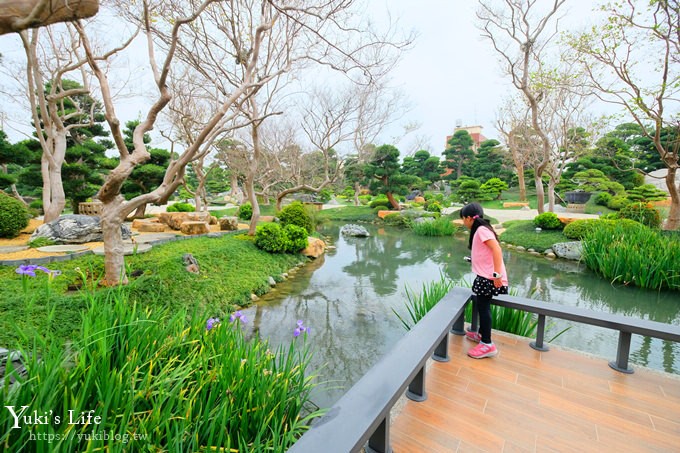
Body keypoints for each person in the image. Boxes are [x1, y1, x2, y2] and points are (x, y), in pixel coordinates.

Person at [460, 202, 508, 359]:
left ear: (468, 218)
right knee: (482, 307)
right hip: (486, 276)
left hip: (489, 278)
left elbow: (496, 249)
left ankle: (487, 344)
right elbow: (485, 252)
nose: (463, 222)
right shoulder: (482, 229)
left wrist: (497, 275)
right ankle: (482, 335)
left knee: (484, 309)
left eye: (463, 219)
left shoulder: (481, 230)